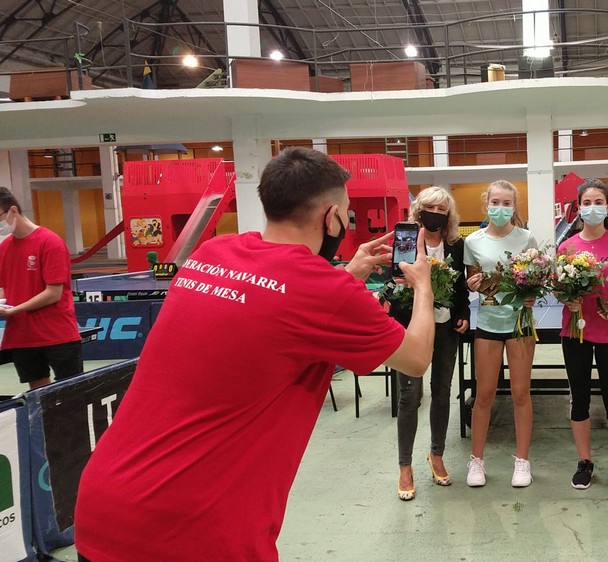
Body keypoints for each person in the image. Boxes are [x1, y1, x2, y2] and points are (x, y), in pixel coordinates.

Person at [74, 147, 435, 560]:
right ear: (331, 216)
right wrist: (423, 285)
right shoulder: (323, 292)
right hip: (189, 533)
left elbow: (270, 299)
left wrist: (347, 275)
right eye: (347, 213)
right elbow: (416, 356)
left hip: (104, 509)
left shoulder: (210, 255)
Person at [388, 186, 470, 501]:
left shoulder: (456, 245)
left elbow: (461, 286)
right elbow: (392, 282)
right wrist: (397, 282)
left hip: (446, 329)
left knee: (442, 392)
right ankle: (405, 466)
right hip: (410, 328)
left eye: (441, 208)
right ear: (418, 210)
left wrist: (462, 313)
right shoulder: (407, 241)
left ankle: (436, 454)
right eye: (429, 206)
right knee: (410, 397)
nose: (435, 212)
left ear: (448, 215)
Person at [556, 179, 608, 491]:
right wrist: (567, 298)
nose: (592, 207)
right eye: (586, 202)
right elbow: (559, 286)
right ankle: (584, 461)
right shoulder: (566, 247)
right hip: (575, 331)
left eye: (598, 202)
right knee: (580, 400)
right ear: (578, 208)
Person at [463, 179, 538, 488]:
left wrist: (533, 293)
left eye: (507, 203)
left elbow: (534, 278)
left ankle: (522, 462)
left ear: (514, 207)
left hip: (519, 325)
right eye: (496, 202)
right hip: (489, 327)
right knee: (484, 395)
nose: (501, 208)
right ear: (486, 204)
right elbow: (472, 280)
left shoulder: (527, 238)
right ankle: (476, 461)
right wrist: (472, 284)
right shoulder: (473, 242)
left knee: (521, 394)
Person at [0, 187, 82, 389]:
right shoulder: (3, 248)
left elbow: (53, 294)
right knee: (39, 399)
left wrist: (15, 309)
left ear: (12, 211)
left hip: (57, 333)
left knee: (71, 395)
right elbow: (4, 288)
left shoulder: (50, 242)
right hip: (22, 336)